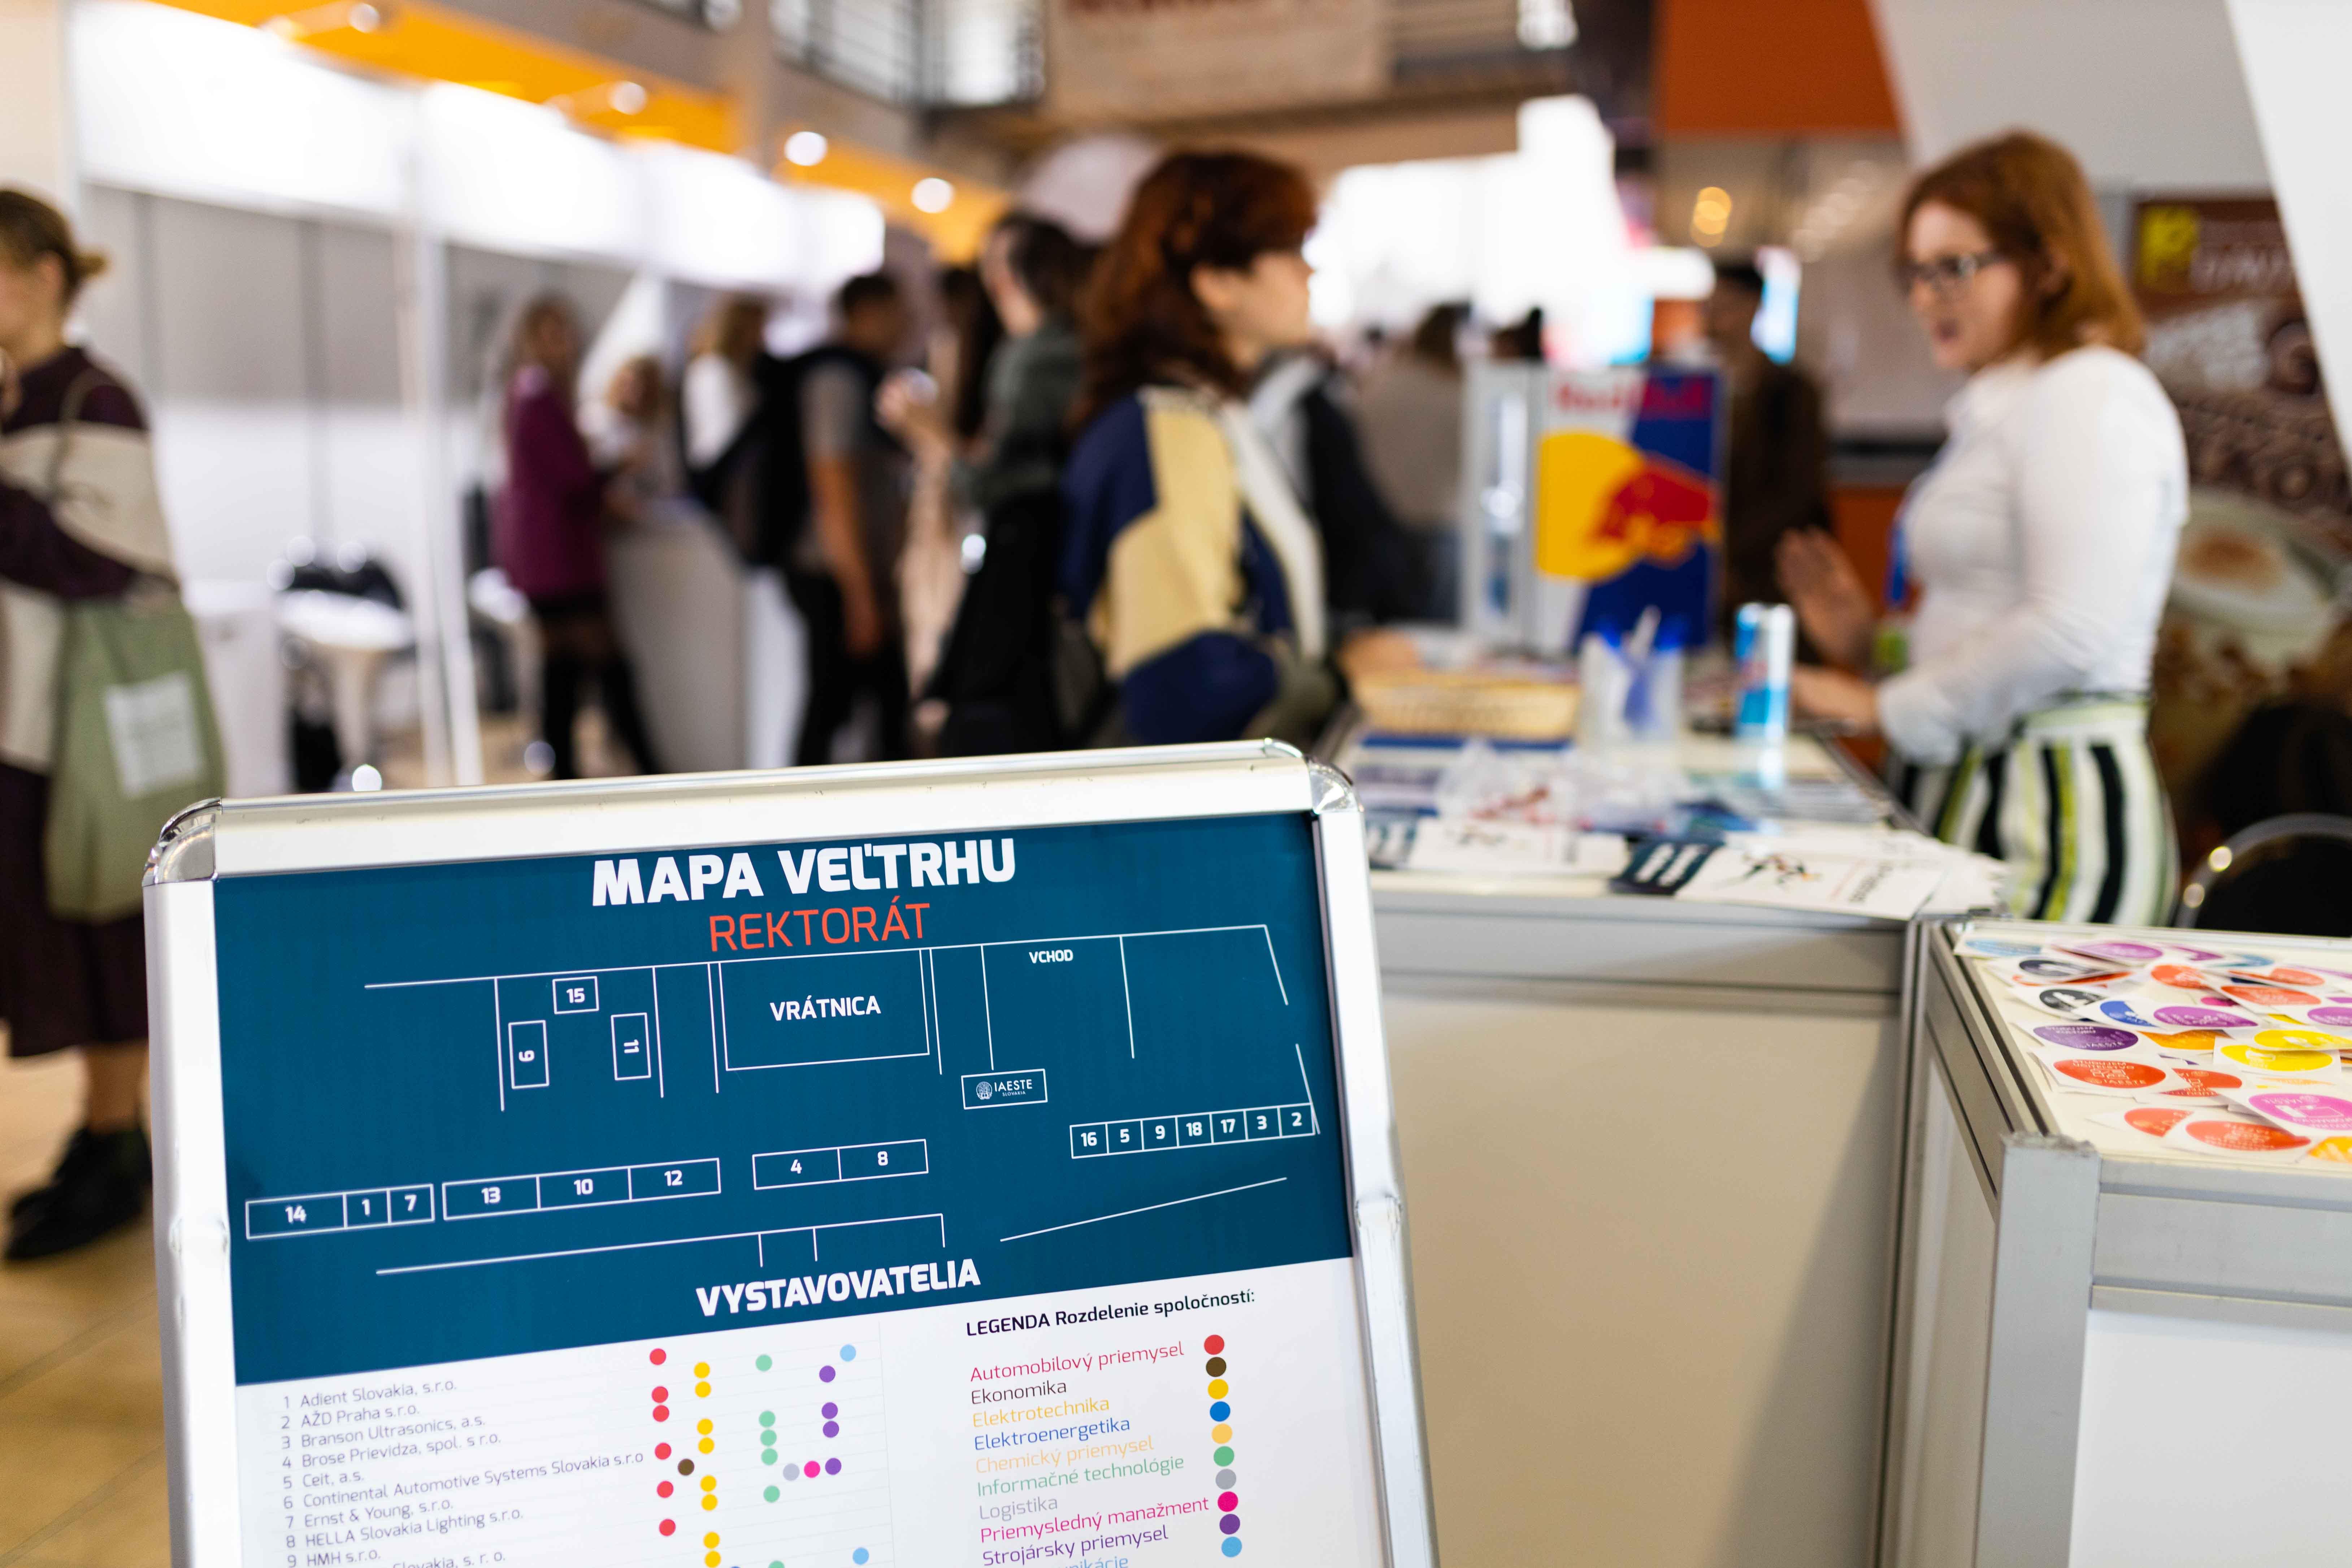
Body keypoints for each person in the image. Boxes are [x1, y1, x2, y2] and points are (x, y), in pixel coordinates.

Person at [1777, 132, 2188, 922]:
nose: (1926, 296)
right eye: (1914, 271)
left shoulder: (2090, 392)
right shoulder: (2009, 401)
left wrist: (1881, 707)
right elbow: (1987, 615)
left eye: (1954, 267)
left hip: (2049, 811)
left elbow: (2069, 627)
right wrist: (1873, 644)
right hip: (1977, 788)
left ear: (2048, 265)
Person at [1060, 151, 1408, 747]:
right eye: (1289, 250)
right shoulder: (1169, 427)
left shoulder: (1201, 412)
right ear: (1217, 282)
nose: (1309, 273)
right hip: (1192, 797)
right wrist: (1339, 674)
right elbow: (1178, 683)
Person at [0, 190, 178, 1258]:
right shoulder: (20, 399)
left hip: (82, 723)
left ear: (45, 276)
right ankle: (99, 1127)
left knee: (99, 920)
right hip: (22, 721)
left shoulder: (93, 397)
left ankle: (118, 1135)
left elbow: (101, 562)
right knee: (53, 930)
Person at [882, 214, 1089, 754]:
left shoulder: (1038, 355)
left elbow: (998, 484)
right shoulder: (1052, 347)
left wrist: (931, 436)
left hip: (1024, 569)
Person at [494, 294, 663, 780]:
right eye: (550, 332)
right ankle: (648, 770)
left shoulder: (536, 393)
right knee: (606, 666)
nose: (561, 343)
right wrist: (617, 467)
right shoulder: (537, 394)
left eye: (565, 331)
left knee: (561, 670)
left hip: (548, 553)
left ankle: (564, 774)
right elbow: (573, 479)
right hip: (557, 556)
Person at [777, 272, 913, 765]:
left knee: (849, 705)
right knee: (834, 705)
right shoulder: (838, 378)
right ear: (868, 313)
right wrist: (861, 595)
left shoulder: (861, 374)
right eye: (899, 311)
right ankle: (798, 808)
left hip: (845, 570)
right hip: (833, 571)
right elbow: (833, 488)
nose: (907, 323)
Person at [1705, 259, 1831, 635]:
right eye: (1709, 307)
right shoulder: (1697, 390)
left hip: (1769, 574)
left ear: (1753, 307)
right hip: (1710, 577)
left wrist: (1726, 555)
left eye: (1725, 307)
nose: (1713, 320)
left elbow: (1798, 492)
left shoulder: (1792, 391)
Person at [1356, 303, 1468, 621]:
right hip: (1438, 518)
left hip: (1384, 517)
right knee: (1440, 629)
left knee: (1390, 626)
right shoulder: (1458, 389)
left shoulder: (1381, 381)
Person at [681, 295, 769, 559]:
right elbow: (724, 435)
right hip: (724, 477)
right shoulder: (715, 370)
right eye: (758, 327)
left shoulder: (730, 369)